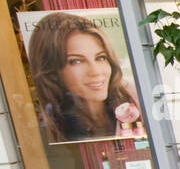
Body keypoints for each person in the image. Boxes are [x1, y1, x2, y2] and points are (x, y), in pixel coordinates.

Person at [27, 12, 139, 143]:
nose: (95, 72)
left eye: (100, 57)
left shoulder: (134, 97)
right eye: (76, 61)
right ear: (51, 71)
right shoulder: (48, 125)